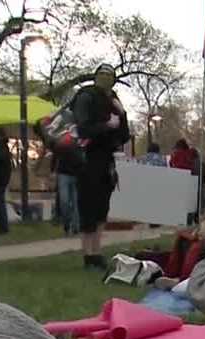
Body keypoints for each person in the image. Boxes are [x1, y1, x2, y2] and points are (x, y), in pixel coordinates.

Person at [73, 63, 130, 270]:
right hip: (87, 158)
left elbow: (123, 135)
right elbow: (83, 128)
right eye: (103, 74)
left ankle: (97, 252)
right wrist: (106, 126)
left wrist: (122, 114)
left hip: (106, 160)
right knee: (88, 206)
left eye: (110, 75)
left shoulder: (113, 99)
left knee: (101, 208)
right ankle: (88, 254)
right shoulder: (86, 96)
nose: (106, 78)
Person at [52, 145, 84, 236]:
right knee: (64, 201)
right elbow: (55, 152)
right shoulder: (64, 140)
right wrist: (53, 170)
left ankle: (75, 227)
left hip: (78, 175)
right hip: (63, 174)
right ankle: (67, 223)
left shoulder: (82, 140)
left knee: (76, 203)